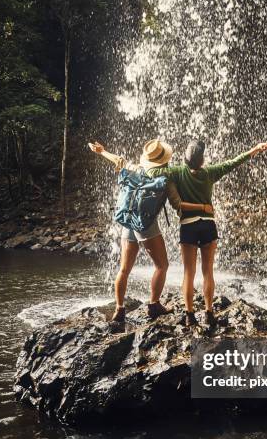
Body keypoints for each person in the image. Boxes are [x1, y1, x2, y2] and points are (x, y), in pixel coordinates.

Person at [148, 140, 267, 326]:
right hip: (208, 225)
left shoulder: (176, 172)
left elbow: (153, 172)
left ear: (185, 159)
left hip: (188, 226)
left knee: (188, 273)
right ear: (202, 160)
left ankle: (190, 315)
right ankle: (208, 312)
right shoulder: (210, 172)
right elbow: (234, 162)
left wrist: (147, 161)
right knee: (208, 272)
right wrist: (255, 149)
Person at [88, 139, 213, 325]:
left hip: (128, 220)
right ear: (164, 159)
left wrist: (102, 151)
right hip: (146, 225)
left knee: (124, 269)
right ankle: (154, 305)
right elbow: (177, 203)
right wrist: (203, 206)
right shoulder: (165, 176)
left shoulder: (135, 168)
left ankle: (119, 309)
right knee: (162, 266)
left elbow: (118, 160)